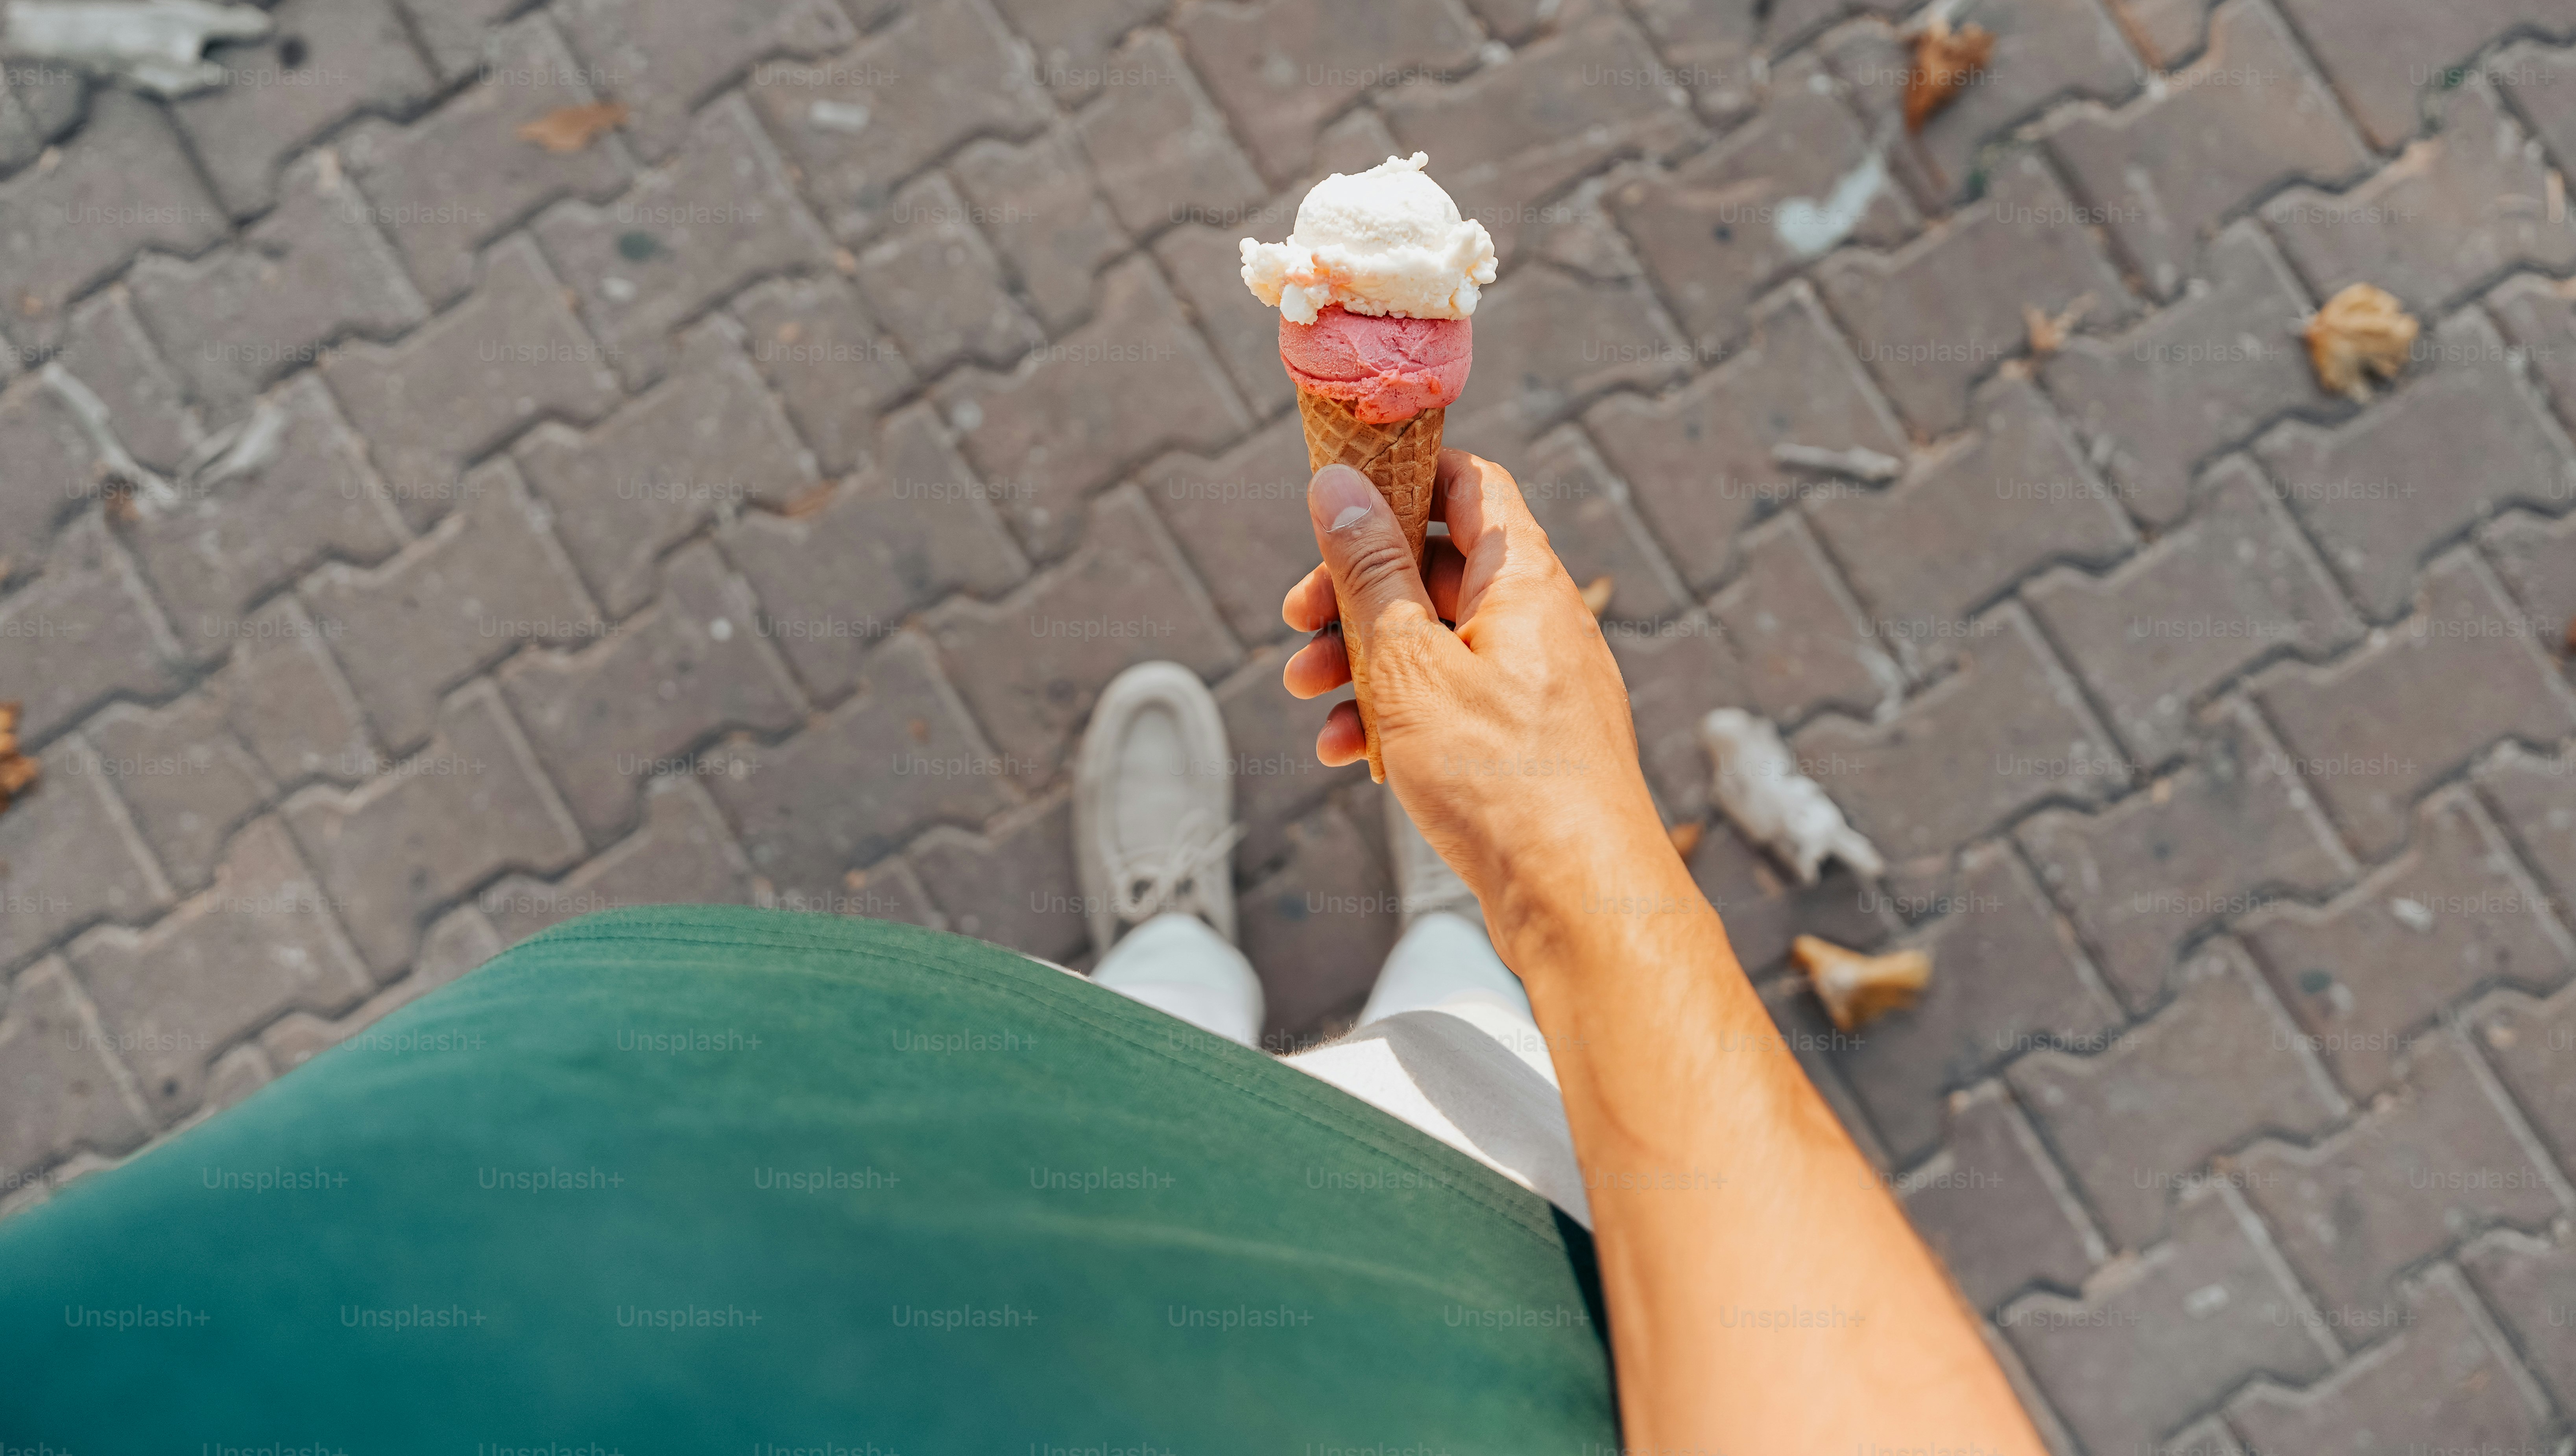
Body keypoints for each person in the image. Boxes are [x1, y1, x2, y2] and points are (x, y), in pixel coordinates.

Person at [0, 452, 2042, 1456]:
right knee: (1450, 1092)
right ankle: (1460, 960)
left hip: (805, 1168)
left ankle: (1181, 982)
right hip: (1399, 1331)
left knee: (1116, 1070)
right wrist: (1572, 859)